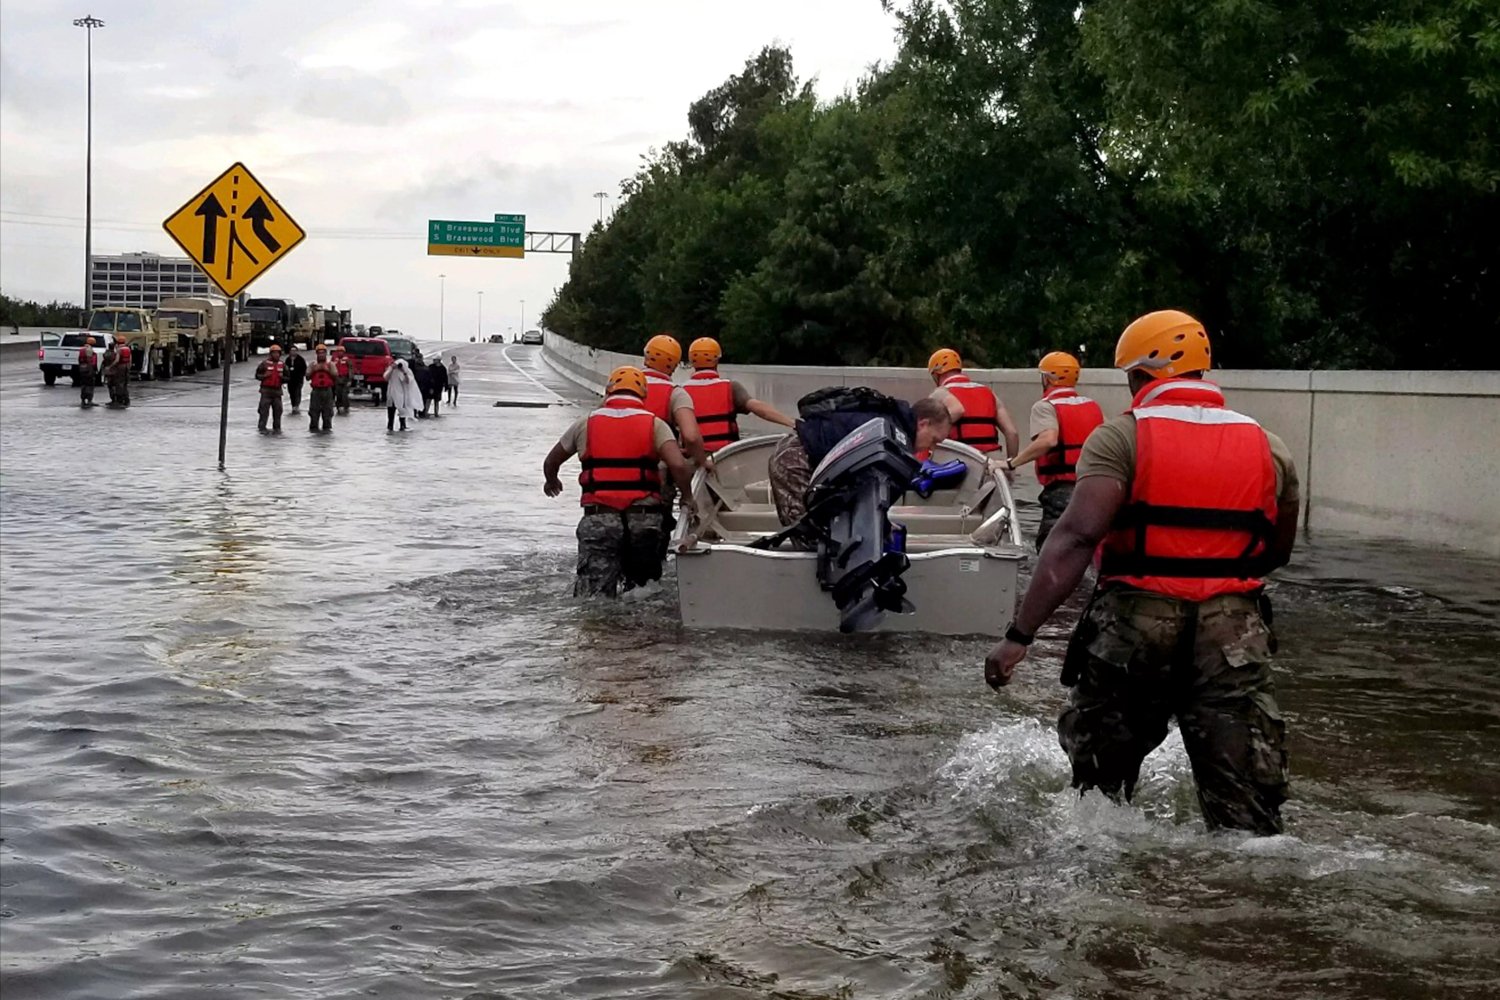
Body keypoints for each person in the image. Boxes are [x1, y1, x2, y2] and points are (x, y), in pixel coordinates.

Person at [984, 310, 1300, 836]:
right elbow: (1276, 551)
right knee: (1247, 819)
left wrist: (1020, 636)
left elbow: (1075, 539)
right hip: (1233, 635)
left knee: (1098, 803)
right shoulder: (1269, 446)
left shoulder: (1120, 438)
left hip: (1135, 628)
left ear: (1138, 375)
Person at [542, 366, 697, 598]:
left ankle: (600, 632)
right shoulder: (654, 424)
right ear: (643, 394)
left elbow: (551, 460)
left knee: (593, 597)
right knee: (644, 593)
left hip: (599, 518)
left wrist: (551, 480)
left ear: (608, 391)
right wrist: (687, 496)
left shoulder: (586, 423)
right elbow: (678, 465)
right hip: (644, 519)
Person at [769, 390, 953, 530]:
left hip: (805, 451)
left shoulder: (891, 423)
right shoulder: (893, 438)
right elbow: (868, 489)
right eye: (934, 440)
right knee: (809, 535)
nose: (932, 448)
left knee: (827, 536)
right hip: (797, 456)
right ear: (923, 423)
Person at [1003, 351, 1107, 551]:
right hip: (1092, 486)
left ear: (1047, 378)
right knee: (1087, 545)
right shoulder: (1092, 406)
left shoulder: (1045, 407)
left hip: (1062, 488)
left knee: (1051, 549)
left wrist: (1011, 463)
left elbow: (1048, 440)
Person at [680, 337, 795, 451]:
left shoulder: (681, 391)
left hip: (695, 457)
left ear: (692, 362)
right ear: (716, 360)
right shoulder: (730, 387)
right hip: (726, 456)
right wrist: (791, 422)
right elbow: (759, 408)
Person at [927, 348, 1019, 459]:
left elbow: (955, 412)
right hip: (992, 459)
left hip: (961, 457)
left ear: (936, 374)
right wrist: (1010, 464)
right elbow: (1012, 433)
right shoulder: (988, 392)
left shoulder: (940, 393)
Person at [640, 334, 707, 469]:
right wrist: (702, 462)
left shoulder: (621, 387)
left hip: (612, 467)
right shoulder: (675, 393)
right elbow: (691, 437)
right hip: (657, 468)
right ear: (674, 366)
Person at [382, 357, 421, 432]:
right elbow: (386, 377)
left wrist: (403, 371)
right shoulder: (391, 370)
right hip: (391, 395)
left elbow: (408, 381)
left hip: (402, 395)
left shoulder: (407, 371)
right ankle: (390, 428)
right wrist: (392, 369)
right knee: (391, 414)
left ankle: (402, 427)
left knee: (402, 413)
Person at [254, 344, 286, 433]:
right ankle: (262, 428)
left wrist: (282, 378)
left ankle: (277, 428)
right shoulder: (264, 364)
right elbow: (257, 375)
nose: (276, 355)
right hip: (266, 392)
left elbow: (288, 378)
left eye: (278, 353)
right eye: (274, 353)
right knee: (263, 411)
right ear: (271, 354)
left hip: (277, 392)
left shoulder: (282, 365)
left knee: (278, 412)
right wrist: (264, 376)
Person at [306, 344, 337, 433]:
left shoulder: (330, 364)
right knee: (314, 413)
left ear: (326, 354)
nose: (321, 355)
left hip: (327, 391)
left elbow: (335, 375)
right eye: (319, 353)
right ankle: (313, 430)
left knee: (327, 413)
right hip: (316, 391)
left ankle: (327, 431)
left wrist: (326, 370)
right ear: (316, 354)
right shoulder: (313, 364)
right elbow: (307, 376)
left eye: (323, 353)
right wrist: (314, 370)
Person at [105, 336, 132, 408]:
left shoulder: (119, 350)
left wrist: (111, 366)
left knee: (119, 384)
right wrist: (129, 367)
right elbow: (130, 359)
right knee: (125, 384)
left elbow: (117, 360)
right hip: (126, 367)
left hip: (120, 368)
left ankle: (120, 400)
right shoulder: (128, 349)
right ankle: (127, 400)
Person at [284, 344, 308, 414]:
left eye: (294, 351)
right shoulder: (288, 359)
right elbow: (285, 369)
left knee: (297, 392)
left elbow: (304, 368)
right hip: (290, 380)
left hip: (298, 379)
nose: (293, 352)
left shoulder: (300, 359)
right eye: (292, 351)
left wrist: (302, 375)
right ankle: (293, 404)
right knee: (291, 393)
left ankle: (296, 405)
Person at [77, 336, 99, 407]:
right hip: (88, 368)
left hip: (82, 368)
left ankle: (83, 400)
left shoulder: (82, 349)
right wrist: (92, 369)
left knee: (83, 384)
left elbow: (79, 359)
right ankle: (89, 400)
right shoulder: (89, 349)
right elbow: (89, 360)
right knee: (90, 385)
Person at [331, 344, 353, 415]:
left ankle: (346, 407)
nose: (340, 353)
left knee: (344, 394)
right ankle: (339, 407)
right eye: (338, 351)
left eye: (341, 351)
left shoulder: (347, 359)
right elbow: (331, 369)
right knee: (338, 394)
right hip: (337, 379)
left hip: (345, 378)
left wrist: (350, 379)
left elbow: (350, 369)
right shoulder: (334, 359)